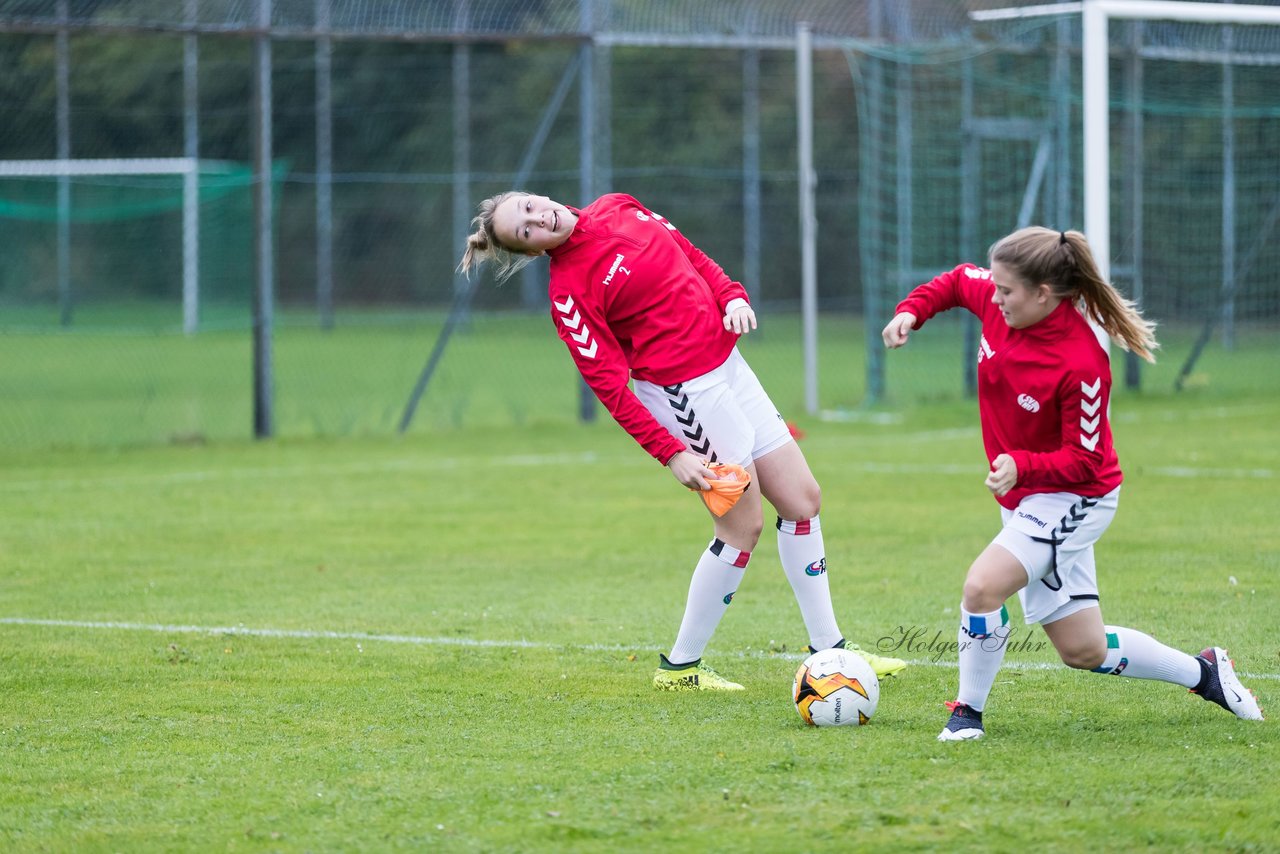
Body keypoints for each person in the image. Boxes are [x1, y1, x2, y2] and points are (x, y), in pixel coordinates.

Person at [459, 190, 907, 690]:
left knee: (803, 501)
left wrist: (732, 294)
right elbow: (610, 386)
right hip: (685, 393)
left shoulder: (618, 206)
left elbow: (690, 254)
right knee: (742, 527)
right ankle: (681, 667)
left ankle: (831, 649)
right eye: (526, 232)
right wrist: (671, 452)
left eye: (527, 208)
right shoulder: (569, 295)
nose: (537, 219)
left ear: (536, 196)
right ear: (534, 250)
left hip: (730, 367)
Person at [882, 226, 1263, 740]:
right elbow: (954, 282)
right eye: (993, 287)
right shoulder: (999, 299)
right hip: (1027, 495)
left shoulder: (1082, 362)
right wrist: (912, 311)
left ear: (1044, 293)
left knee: (981, 587)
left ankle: (966, 715)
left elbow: (1084, 461)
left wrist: (1022, 466)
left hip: (1076, 495)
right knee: (1083, 651)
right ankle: (1205, 672)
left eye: (1006, 291)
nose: (994, 297)